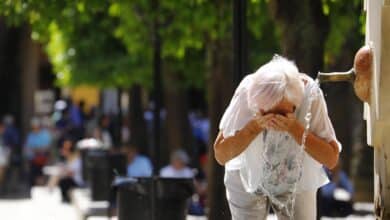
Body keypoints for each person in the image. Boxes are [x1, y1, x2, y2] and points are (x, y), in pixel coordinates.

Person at [213, 56, 341, 220]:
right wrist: (254, 127)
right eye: (266, 112)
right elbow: (221, 154)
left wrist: (294, 128)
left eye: (281, 114)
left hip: (296, 177)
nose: (273, 121)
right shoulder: (248, 91)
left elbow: (331, 158)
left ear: (295, 104)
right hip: (247, 175)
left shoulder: (310, 95)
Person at [24, 117, 52, 186]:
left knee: (40, 176)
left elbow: (46, 148)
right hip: (32, 160)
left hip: (42, 159)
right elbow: (27, 148)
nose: (34, 127)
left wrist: (35, 149)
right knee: (33, 177)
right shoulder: (30, 135)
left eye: (36, 126)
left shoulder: (45, 134)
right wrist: (35, 150)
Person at [57, 138, 84, 203]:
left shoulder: (77, 160)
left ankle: (66, 198)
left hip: (77, 180)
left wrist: (64, 173)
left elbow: (71, 172)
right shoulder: (68, 159)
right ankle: (65, 198)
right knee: (62, 180)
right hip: (72, 178)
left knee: (64, 181)